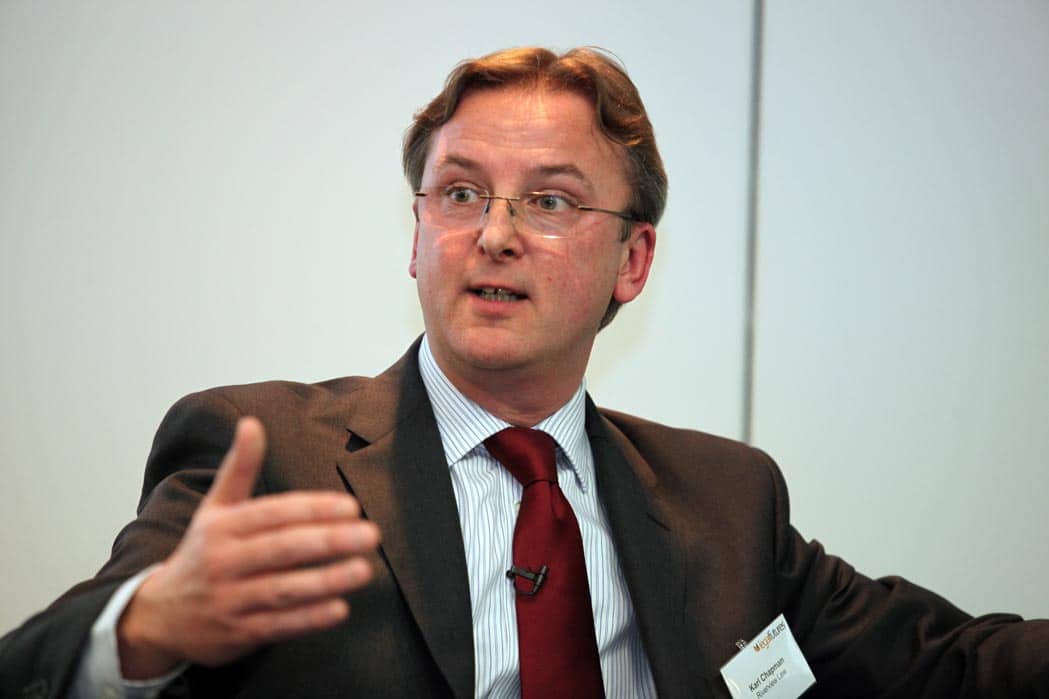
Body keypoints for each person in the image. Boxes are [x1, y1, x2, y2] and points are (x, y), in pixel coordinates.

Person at [1, 46, 1046, 699]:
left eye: (548, 201)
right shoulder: (266, 455)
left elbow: (949, 667)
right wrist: (146, 628)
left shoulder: (726, 501)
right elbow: (32, 665)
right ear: (417, 237)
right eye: (459, 193)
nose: (493, 234)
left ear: (631, 261)